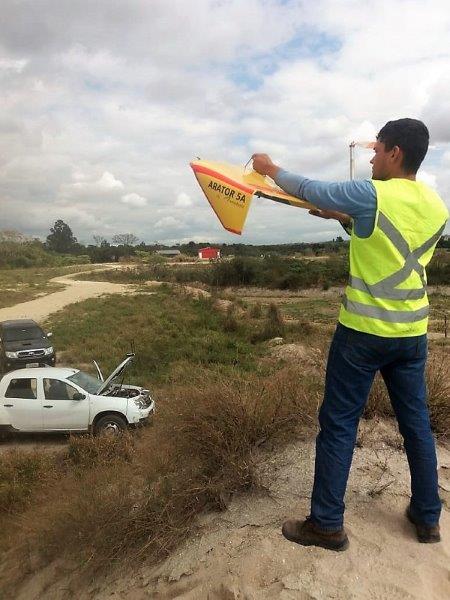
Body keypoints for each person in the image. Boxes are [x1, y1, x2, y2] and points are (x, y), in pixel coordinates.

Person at [252, 118, 449, 551]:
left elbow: (313, 188)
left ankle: (326, 525)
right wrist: (343, 217)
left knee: (339, 424)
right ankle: (427, 516)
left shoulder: (374, 192)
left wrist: (269, 168)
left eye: (377, 150)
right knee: (416, 426)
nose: (372, 158)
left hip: (362, 334)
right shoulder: (436, 205)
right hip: (412, 334)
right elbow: (390, 242)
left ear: (395, 152)